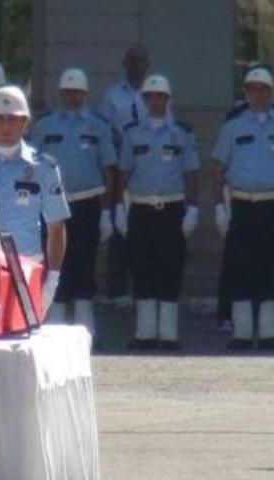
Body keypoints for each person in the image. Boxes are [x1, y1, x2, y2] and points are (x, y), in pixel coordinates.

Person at [211, 67, 274, 350]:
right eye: (252, 88)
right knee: (240, 268)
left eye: (263, 89)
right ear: (246, 92)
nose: (258, 93)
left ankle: (268, 332)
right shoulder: (233, 126)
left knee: (271, 267)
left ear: (271, 92)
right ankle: (241, 331)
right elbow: (217, 168)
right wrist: (219, 207)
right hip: (242, 204)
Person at [0, 86, 71, 321]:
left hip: (27, 266)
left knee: (23, 339)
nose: (5, 125)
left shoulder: (44, 167)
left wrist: (52, 278)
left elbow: (56, 227)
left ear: (26, 123)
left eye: (13, 119)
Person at [115, 75, 200, 349]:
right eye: (150, 96)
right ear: (144, 100)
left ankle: (168, 333)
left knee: (170, 267)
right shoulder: (132, 133)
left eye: (160, 97)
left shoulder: (182, 133)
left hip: (172, 208)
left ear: (167, 99)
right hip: (140, 208)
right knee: (141, 267)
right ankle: (145, 333)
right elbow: (123, 173)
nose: (155, 101)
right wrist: (118, 207)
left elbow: (192, 173)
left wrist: (193, 209)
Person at [30, 68, 116, 336]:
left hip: (87, 203)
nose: (72, 97)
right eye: (67, 92)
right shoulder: (44, 126)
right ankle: (54, 326)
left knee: (84, 262)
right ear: (60, 93)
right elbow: (32, 166)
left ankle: (84, 330)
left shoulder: (98, 126)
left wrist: (108, 211)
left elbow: (108, 169)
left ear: (85, 94)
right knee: (55, 261)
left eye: (77, 92)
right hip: (53, 205)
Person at [99, 44, 152, 307]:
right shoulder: (112, 96)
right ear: (124, 64)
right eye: (131, 60)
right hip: (121, 165)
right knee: (120, 226)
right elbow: (106, 129)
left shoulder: (157, 92)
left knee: (145, 229)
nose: (136, 65)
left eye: (141, 60)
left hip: (150, 168)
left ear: (148, 65)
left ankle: (143, 284)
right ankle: (117, 288)